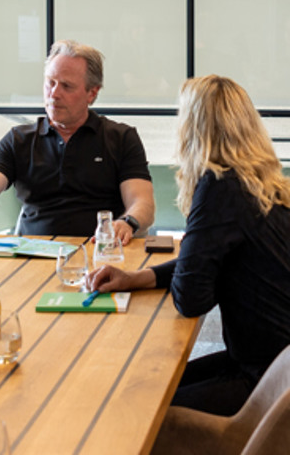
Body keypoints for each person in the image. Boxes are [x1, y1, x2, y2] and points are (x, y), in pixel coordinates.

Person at [87, 74, 290, 415]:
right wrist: (136, 278)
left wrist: (195, 247)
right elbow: (210, 263)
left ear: (193, 129)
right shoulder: (263, 185)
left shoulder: (220, 187)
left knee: (132, 407)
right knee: (146, 384)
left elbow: (192, 298)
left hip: (265, 383)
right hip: (273, 363)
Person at [0, 39, 155, 243]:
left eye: (66, 86)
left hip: (100, 252)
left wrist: (128, 223)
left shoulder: (121, 138)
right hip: (31, 254)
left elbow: (142, 201)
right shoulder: (19, 140)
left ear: (92, 93)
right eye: (50, 82)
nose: (54, 94)